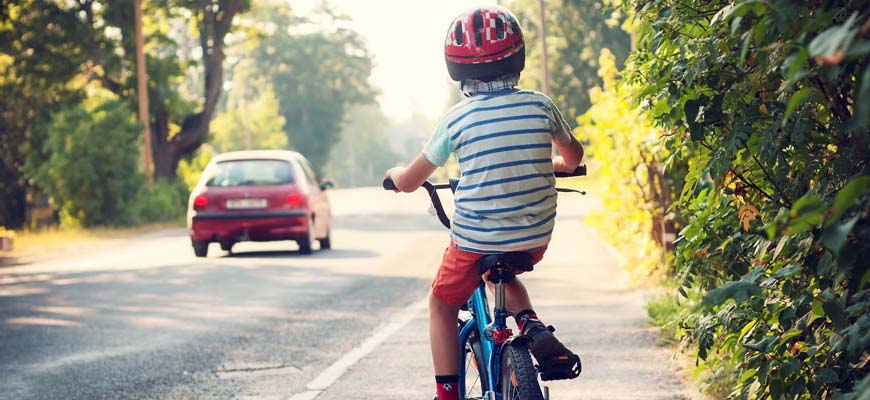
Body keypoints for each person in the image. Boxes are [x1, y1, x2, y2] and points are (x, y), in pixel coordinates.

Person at [383, 5, 584, 400]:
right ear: (518, 56)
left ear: (455, 68)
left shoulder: (456, 121)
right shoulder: (541, 104)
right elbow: (573, 158)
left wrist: (394, 176)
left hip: (476, 242)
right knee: (504, 272)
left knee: (441, 304)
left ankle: (447, 394)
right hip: (533, 238)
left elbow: (409, 181)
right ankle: (531, 325)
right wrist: (553, 165)